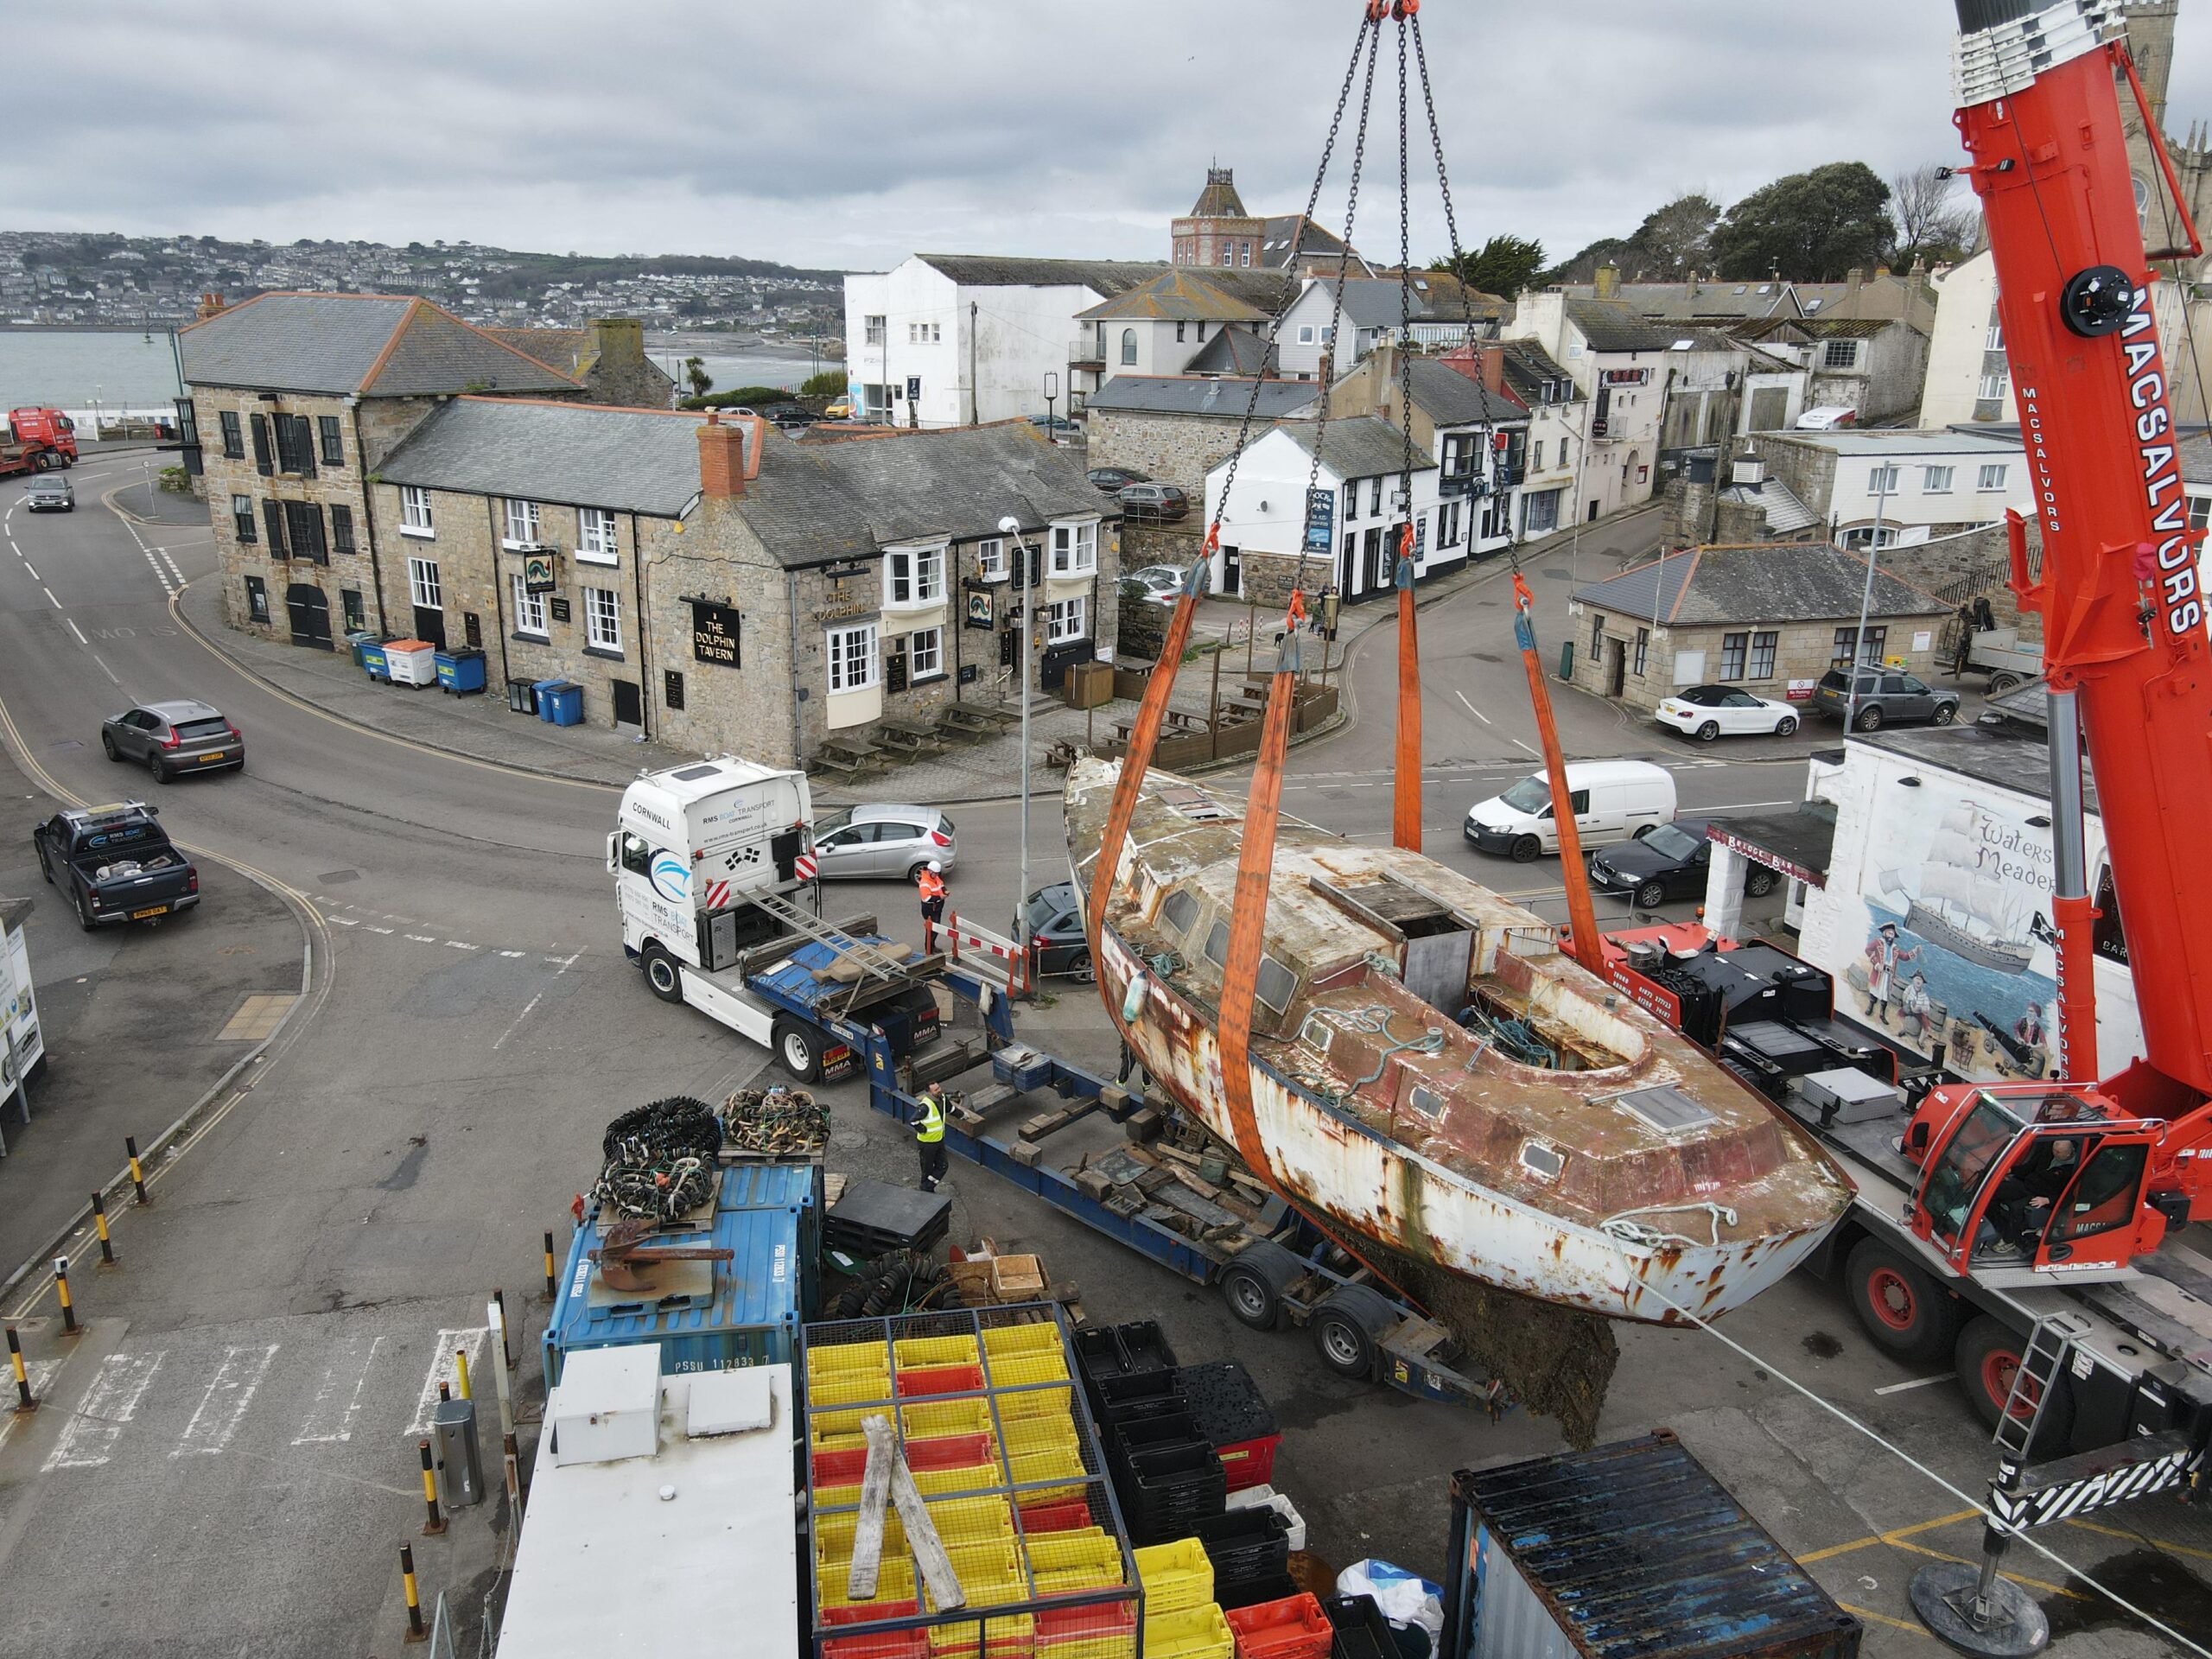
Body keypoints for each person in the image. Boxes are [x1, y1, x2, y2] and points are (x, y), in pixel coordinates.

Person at [1863, 923, 1918, 1024]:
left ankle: (1882, 1014)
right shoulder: (1877, 942)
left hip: (1889, 975)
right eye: (1889, 933)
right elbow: (1867, 950)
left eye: (1892, 934)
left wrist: (1914, 952)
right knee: (1875, 990)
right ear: (1884, 933)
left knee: (1885, 994)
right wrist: (1876, 963)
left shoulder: (1895, 949)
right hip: (1879, 972)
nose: (1891, 936)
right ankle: (1870, 1007)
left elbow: (1905, 957)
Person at [913, 1083, 948, 1192]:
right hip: (927, 1143)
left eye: (939, 1087)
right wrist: (923, 1130)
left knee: (943, 1165)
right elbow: (913, 1121)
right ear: (929, 1092)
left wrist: (963, 1115)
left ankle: (927, 1187)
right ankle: (927, 1189)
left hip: (938, 1140)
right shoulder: (925, 1106)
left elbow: (950, 1109)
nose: (939, 1090)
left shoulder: (942, 1098)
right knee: (927, 1169)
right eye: (936, 1089)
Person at [917, 860, 946, 944]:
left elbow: (941, 885)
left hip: (937, 906)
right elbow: (927, 899)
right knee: (932, 929)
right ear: (930, 871)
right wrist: (940, 897)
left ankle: (932, 946)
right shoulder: (924, 883)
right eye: (935, 873)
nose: (937, 875)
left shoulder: (935, 877)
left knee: (936, 928)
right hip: (930, 908)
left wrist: (945, 891)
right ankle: (929, 947)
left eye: (938, 873)